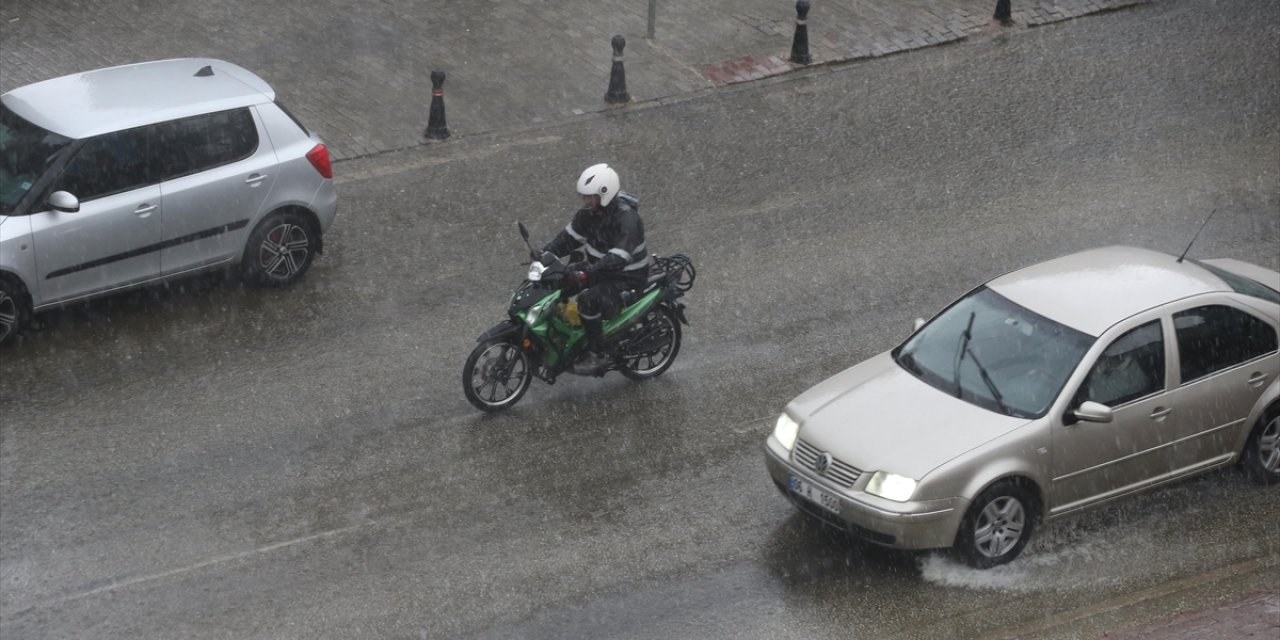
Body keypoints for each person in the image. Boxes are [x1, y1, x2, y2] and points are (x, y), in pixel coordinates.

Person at [542, 163, 651, 369]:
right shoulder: (588, 215)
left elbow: (619, 257)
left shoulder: (628, 219)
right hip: (599, 269)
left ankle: (597, 351)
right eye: (585, 197)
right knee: (559, 282)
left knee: (588, 300)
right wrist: (545, 253)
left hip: (627, 276)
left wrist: (587, 272)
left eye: (590, 197)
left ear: (605, 193)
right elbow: (568, 239)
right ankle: (568, 336)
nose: (586, 201)